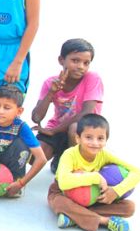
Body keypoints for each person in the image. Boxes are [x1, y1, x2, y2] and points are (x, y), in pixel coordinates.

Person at [50, 115, 140, 231]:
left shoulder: (104, 155)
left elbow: (138, 173)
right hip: (64, 193)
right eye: (88, 137)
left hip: (93, 197)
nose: (95, 143)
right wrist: (95, 177)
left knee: (129, 207)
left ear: (106, 140)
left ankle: (74, 217)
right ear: (78, 138)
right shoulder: (69, 154)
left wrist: (115, 191)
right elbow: (63, 183)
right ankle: (106, 221)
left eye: (100, 138)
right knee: (59, 202)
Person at [33, 38, 102, 170]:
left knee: (74, 128)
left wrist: (53, 131)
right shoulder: (50, 82)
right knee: (35, 155)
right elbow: (36, 118)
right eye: (75, 60)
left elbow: (85, 114)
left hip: (85, 130)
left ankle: (74, 167)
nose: (81, 66)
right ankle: (61, 155)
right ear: (61, 60)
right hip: (59, 128)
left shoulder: (92, 78)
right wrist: (51, 93)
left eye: (86, 63)